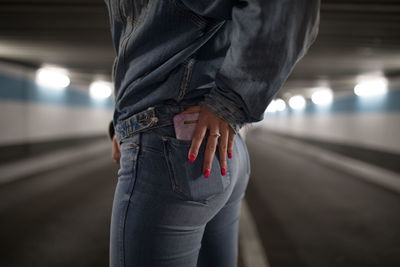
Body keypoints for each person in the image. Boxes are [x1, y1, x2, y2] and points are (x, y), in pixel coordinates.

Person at [105, 0, 320, 266]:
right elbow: (136, 46)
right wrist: (124, 120)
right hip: (208, 147)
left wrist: (229, 103)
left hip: (171, 147)